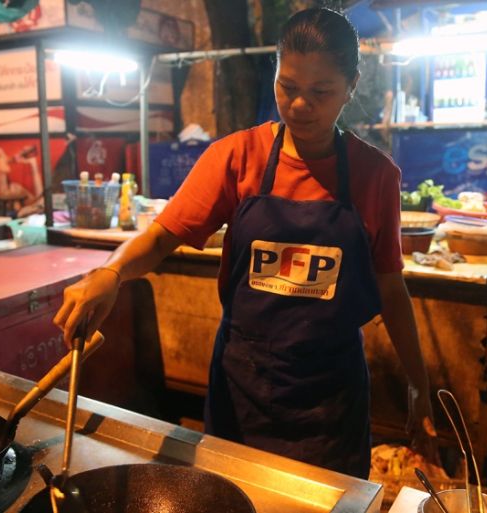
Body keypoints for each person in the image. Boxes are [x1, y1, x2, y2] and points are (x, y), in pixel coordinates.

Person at [54, 7, 437, 478]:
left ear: (351, 86)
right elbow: (159, 237)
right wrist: (110, 273)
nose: (300, 105)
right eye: (287, 87)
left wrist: (419, 383)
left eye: (321, 92)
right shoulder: (237, 157)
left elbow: (391, 288)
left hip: (330, 400)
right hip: (244, 386)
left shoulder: (376, 176)